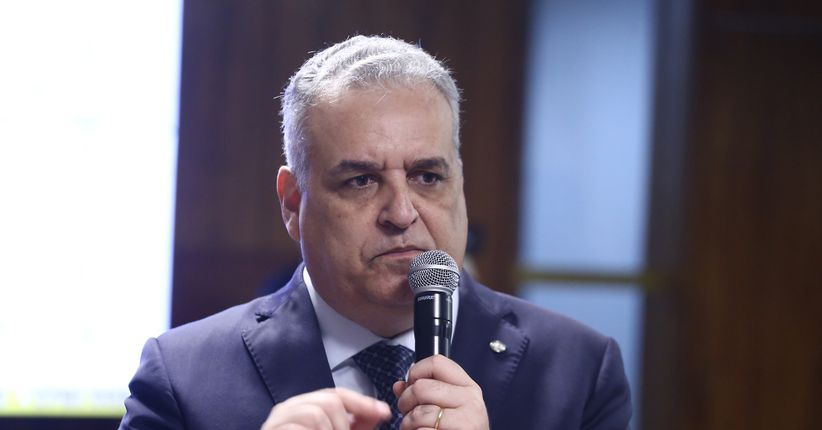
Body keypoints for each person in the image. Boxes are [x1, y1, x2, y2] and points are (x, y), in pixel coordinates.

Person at [119, 35, 631, 430]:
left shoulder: (578, 371)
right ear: (293, 203)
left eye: (427, 177)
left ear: (459, 182)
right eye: (361, 180)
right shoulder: (183, 378)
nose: (402, 213)